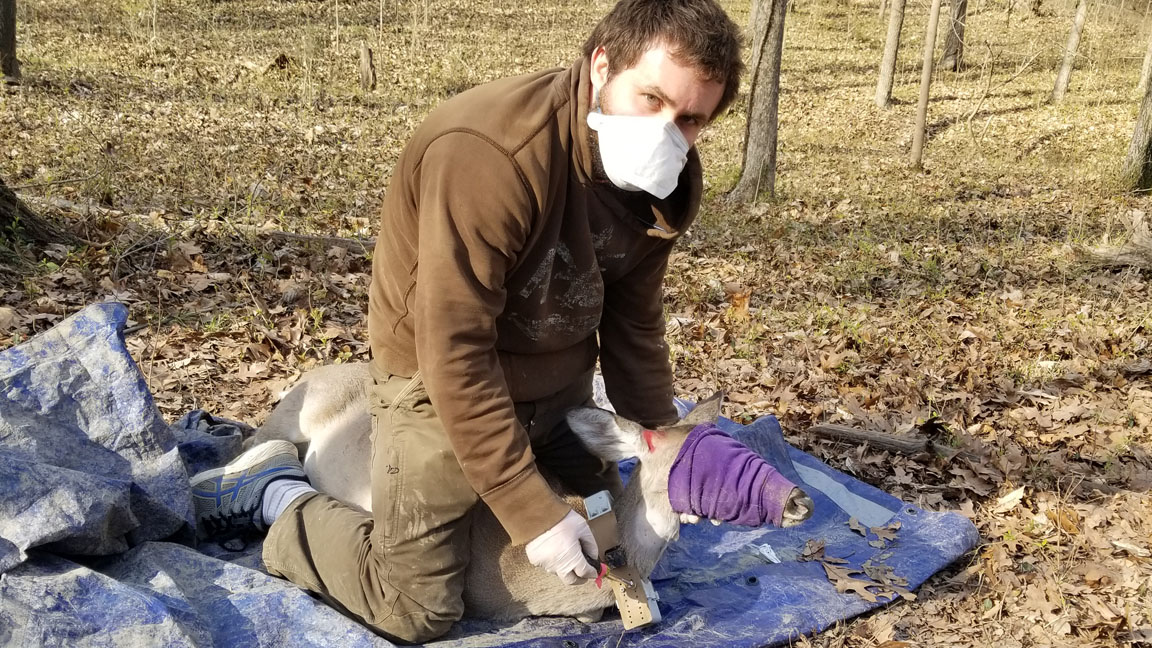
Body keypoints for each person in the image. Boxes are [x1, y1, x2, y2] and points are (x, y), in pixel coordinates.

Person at [190, 0, 743, 642]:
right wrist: (530, 509)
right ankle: (277, 500)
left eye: (691, 119)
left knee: (605, 547)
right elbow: (453, 349)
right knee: (416, 608)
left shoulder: (662, 180)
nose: (666, 131)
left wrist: (667, 446)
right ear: (601, 66)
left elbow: (634, 326)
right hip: (436, 381)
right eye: (651, 98)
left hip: (555, 387)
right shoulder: (490, 155)